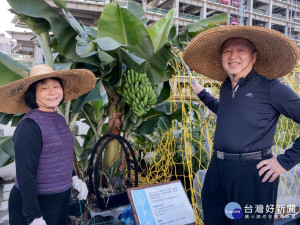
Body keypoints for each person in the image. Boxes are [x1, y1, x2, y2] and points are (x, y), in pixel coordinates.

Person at [183, 25, 300, 225]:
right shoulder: (226, 87)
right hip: (218, 168)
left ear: (254, 57)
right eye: (227, 51)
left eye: (241, 50)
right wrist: (203, 94)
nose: (233, 56)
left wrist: (285, 161)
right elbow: (229, 112)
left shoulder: (271, 88)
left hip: (252, 173)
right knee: (215, 219)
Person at [0, 64, 96, 225]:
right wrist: (33, 217)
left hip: (59, 199)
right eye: (44, 88)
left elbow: (60, 153)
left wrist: (73, 178)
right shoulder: (29, 126)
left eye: (56, 86)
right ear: (33, 93)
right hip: (35, 203)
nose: (52, 92)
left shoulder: (58, 118)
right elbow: (25, 175)